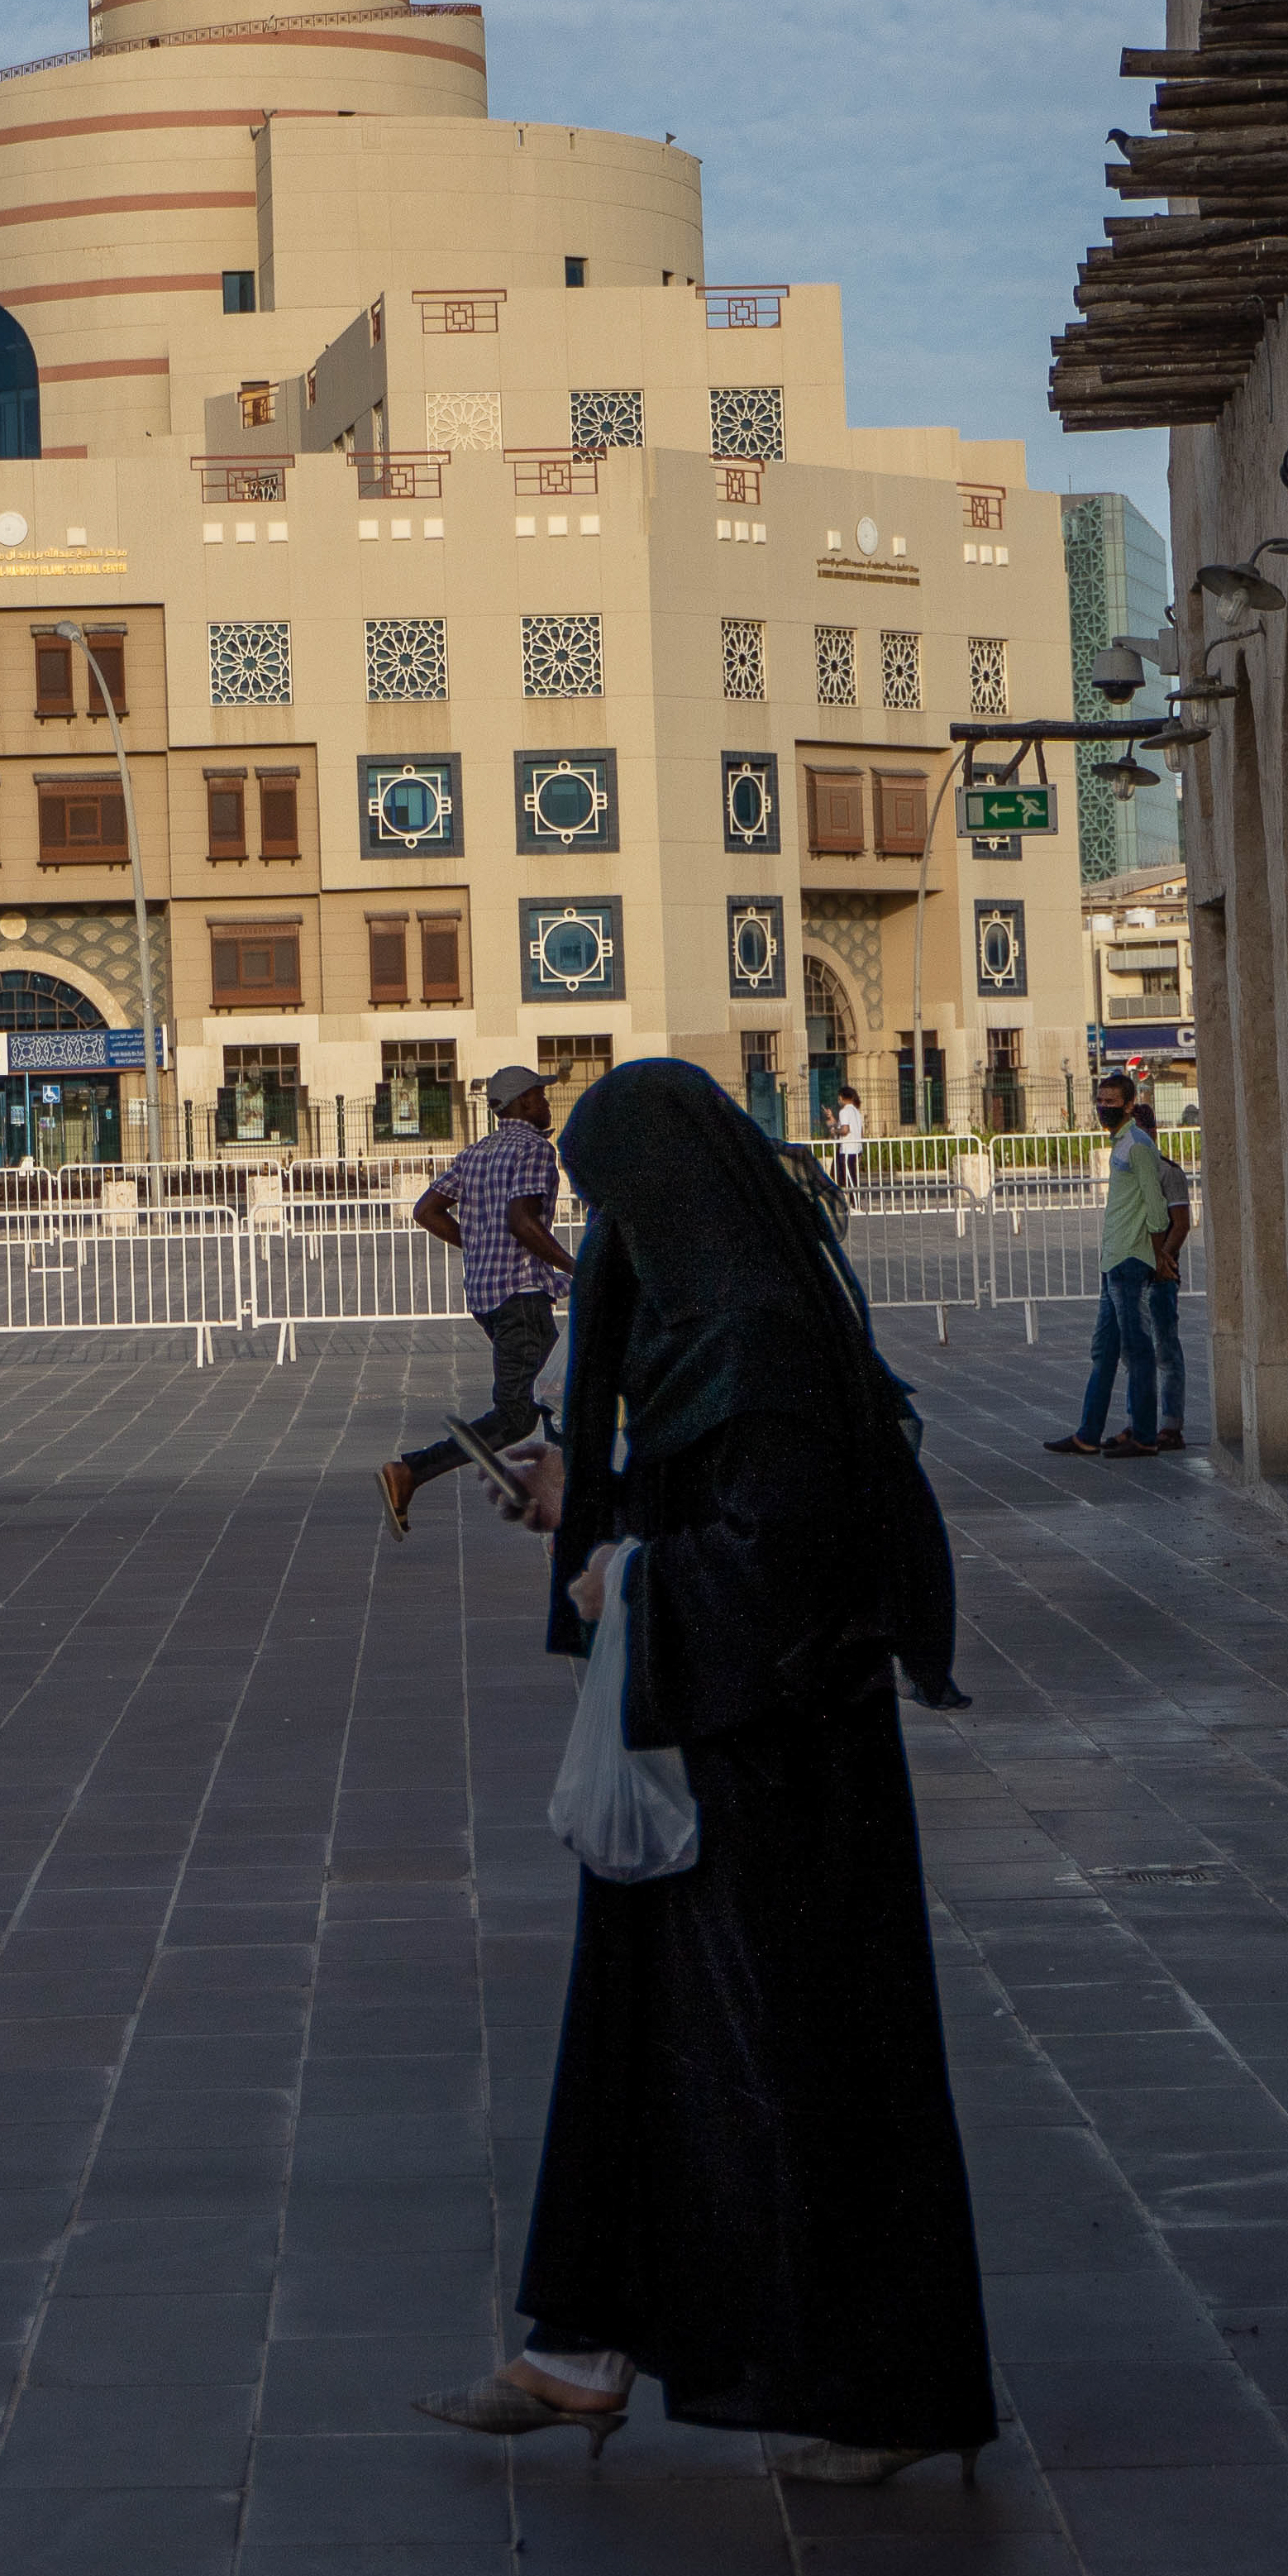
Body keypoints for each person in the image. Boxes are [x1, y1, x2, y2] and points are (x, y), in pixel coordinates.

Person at [418, 1054, 1004, 2486]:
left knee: (803, 2072)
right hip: (715, 1755)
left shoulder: (760, 1335)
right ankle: (582, 2346)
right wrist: (589, 1497)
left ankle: (881, 2391)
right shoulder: (722, 1322)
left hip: (789, 1781)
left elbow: (781, 1555)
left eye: (612, 1204)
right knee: (641, 2049)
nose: (602, 1235)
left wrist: (629, 1576)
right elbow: (709, 1490)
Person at [379, 1063, 570, 1537]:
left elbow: (427, 1210)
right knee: (526, 1410)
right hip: (521, 1296)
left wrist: (480, 1244)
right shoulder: (534, 1149)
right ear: (523, 1101)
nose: (547, 1103)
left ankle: (565, 1489)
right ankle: (412, 1471)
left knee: (550, 1396)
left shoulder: (475, 1154)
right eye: (540, 1095)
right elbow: (523, 1222)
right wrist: (577, 1267)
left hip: (488, 1299)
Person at [1061, 1071, 1193, 1455]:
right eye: (1101, 1100)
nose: (1104, 1107)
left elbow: (1158, 1211)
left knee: (1139, 1350)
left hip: (1132, 1261)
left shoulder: (1138, 1146)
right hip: (1114, 1259)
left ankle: (1146, 1435)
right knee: (1104, 1351)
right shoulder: (1120, 1145)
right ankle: (1088, 1434)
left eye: (1112, 1101)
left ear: (1129, 1105)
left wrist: (1160, 1256)